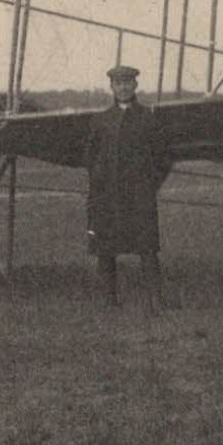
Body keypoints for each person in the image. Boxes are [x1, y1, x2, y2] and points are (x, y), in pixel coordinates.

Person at [83, 64, 173, 308]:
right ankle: (109, 301)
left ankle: (155, 300)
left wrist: (150, 184)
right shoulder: (101, 121)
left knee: (147, 248)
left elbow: (164, 157)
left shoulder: (148, 119)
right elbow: (91, 158)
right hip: (108, 196)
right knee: (106, 249)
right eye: (118, 83)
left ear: (135, 85)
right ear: (111, 87)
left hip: (139, 196)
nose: (123, 87)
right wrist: (101, 183)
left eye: (127, 83)